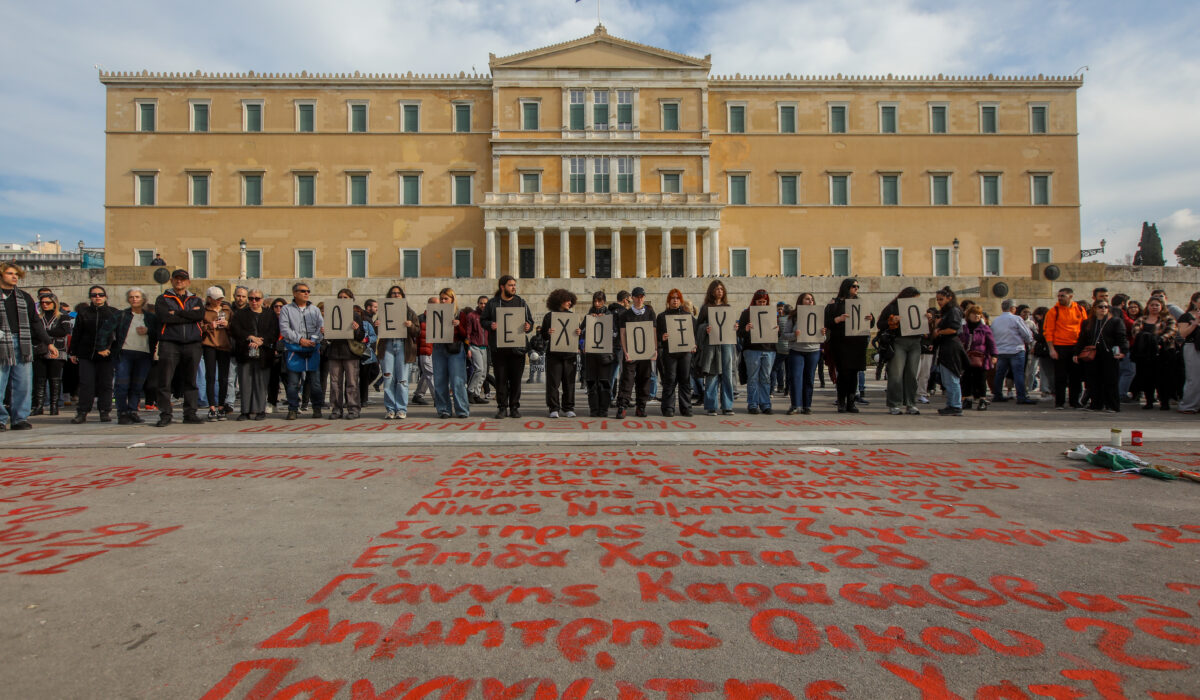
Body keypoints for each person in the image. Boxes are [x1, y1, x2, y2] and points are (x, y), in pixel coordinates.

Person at [0, 262, 57, 430]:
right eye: (10, 273)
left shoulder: (24, 297)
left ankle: (19, 419)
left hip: (22, 342)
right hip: (2, 342)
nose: (14, 276)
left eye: (16, 274)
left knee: (23, 384)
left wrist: (48, 342)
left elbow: (35, 322)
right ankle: (1, 419)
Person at [153, 269, 206, 427]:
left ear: (188, 282)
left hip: (192, 343)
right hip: (170, 342)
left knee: (191, 380)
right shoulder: (163, 298)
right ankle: (165, 414)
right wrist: (187, 314)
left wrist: (177, 313)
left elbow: (199, 316)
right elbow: (164, 317)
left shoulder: (195, 299)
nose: (179, 282)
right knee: (165, 381)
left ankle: (190, 413)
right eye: (176, 279)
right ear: (172, 280)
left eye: (182, 279)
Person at [481, 275, 533, 419]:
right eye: (510, 285)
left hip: (518, 350)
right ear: (502, 287)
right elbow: (483, 320)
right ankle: (502, 407)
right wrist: (490, 325)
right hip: (499, 350)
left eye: (515, 285)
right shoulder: (493, 303)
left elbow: (530, 322)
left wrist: (528, 326)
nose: (514, 287)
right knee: (501, 380)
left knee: (516, 380)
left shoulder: (521, 303)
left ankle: (514, 407)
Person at [68, 285, 121, 423]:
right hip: (86, 353)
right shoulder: (84, 312)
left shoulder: (113, 312)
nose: (97, 297)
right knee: (86, 383)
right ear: (90, 297)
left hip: (106, 354)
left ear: (105, 296)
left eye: (100, 294)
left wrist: (112, 350)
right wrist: (73, 352)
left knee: (106, 383)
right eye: (94, 295)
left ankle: (104, 411)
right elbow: (77, 333)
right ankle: (82, 411)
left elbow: (118, 334)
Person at [278, 282, 325, 420]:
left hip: (312, 348)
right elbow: (285, 329)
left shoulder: (314, 310)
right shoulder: (286, 309)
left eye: (308, 291)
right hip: (294, 349)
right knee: (293, 383)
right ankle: (293, 408)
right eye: (303, 291)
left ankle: (317, 407)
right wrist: (300, 340)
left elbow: (320, 327)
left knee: (315, 382)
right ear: (294, 293)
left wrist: (314, 339)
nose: (306, 293)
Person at [824, 279, 872, 413]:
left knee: (854, 373)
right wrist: (838, 319)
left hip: (857, 342)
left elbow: (870, 324)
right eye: (853, 286)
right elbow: (826, 321)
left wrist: (870, 319)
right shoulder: (835, 303)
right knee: (844, 373)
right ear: (846, 287)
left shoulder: (861, 302)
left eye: (857, 286)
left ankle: (851, 402)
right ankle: (841, 401)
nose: (856, 288)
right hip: (841, 342)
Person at [229, 288, 278, 420]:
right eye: (251, 299)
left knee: (261, 383)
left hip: (264, 353)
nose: (254, 301)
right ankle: (245, 411)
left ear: (262, 300)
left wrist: (261, 341)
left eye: (257, 299)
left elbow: (274, 332)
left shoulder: (270, 314)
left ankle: (259, 410)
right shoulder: (240, 314)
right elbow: (235, 330)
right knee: (245, 382)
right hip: (245, 352)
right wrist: (250, 337)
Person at [113, 288, 159, 424]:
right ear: (128, 299)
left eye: (137, 297)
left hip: (144, 353)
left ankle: (133, 411)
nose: (134, 299)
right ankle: (122, 412)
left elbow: (158, 333)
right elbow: (106, 329)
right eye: (132, 297)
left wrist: (148, 330)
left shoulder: (151, 317)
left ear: (143, 299)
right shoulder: (121, 315)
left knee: (137, 385)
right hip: (125, 353)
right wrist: (103, 347)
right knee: (122, 385)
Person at [1074, 299, 1127, 413]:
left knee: (1110, 380)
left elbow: (1121, 337)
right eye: (1100, 307)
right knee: (1093, 380)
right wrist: (1076, 353)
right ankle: (1096, 404)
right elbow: (1082, 339)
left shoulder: (1115, 321)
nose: (1103, 309)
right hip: (1093, 354)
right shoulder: (1087, 322)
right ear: (1094, 308)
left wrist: (1123, 351)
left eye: (1106, 307)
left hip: (1109, 353)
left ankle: (1112, 405)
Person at [876, 287, 923, 415]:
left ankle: (910, 403)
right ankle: (894, 403)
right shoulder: (892, 308)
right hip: (898, 341)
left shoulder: (919, 308)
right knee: (896, 374)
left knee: (912, 375)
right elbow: (880, 324)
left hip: (915, 342)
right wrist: (891, 321)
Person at [614, 286, 657, 419]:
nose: (639, 299)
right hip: (631, 352)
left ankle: (641, 406)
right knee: (627, 379)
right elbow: (623, 334)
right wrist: (626, 352)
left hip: (645, 352)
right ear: (632, 298)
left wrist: (654, 350)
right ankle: (622, 406)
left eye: (641, 296)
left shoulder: (650, 313)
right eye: (637, 296)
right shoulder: (625, 314)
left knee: (644, 379)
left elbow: (653, 332)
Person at [378, 285, 419, 420]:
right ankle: (390, 409)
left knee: (402, 380)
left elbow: (417, 331)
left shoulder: (410, 312)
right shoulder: (384, 311)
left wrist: (411, 325)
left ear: (402, 296)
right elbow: (376, 330)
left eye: (398, 293)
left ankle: (401, 409)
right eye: (393, 293)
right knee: (388, 378)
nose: (395, 295)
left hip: (403, 346)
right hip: (388, 345)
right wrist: (376, 324)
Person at [1043, 287, 1088, 410]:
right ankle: (1060, 402)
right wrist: (1052, 349)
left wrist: (1083, 346)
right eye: (1059, 296)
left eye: (1063, 296)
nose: (1060, 298)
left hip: (1076, 346)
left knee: (1076, 376)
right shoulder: (1053, 311)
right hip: (1060, 346)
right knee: (1060, 376)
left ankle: (1074, 401)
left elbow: (1085, 328)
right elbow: (1048, 332)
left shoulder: (1080, 309)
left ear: (1070, 296)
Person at [326, 289, 367, 420]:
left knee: (352, 383)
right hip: (335, 352)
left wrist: (356, 329)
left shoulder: (355, 315)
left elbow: (361, 337)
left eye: (345, 297)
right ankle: (336, 408)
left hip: (350, 353)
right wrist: (324, 331)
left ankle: (353, 408)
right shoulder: (332, 312)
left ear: (351, 299)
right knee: (334, 383)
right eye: (340, 297)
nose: (342, 299)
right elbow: (329, 338)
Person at [778, 292, 822, 415]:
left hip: (813, 350)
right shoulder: (793, 317)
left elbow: (824, 338)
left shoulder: (818, 315)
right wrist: (794, 335)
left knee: (809, 378)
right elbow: (784, 335)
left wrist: (823, 333)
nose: (810, 301)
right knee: (796, 378)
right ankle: (795, 405)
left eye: (812, 299)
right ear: (801, 301)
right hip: (796, 350)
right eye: (807, 299)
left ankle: (807, 405)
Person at [430, 287, 471, 419]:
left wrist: (458, 325)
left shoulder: (460, 314)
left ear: (452, 299)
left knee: (457, 381)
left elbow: (466, 334)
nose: (443, 301)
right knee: (440, 380)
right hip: (438, 348)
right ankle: (443, 409)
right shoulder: (435, 312)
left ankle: (462, 409)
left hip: (455, 348)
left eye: (446, 298)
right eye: (441, 298)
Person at [697, 280, 736, 416]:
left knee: (727, 374)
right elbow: (698, 326)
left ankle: (727, 406)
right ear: (712, 291)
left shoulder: (728, 307)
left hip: (726, 343)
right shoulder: (706, 308)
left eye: (721, 289)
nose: (720, 291)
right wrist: (705, 329)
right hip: (711, 345)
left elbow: (730, 325)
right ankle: (711, 406)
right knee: (712, 374)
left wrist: (734, 327)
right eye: (717, 289)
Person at [1131, 297, 1177, 411]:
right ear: (1148, 306)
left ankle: (1164, 402)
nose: (1154, 307)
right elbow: (1136, 332)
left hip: (1163, 353)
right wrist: (1149, 341)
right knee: (1147, 378)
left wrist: (1160, 340)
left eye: (1157, 305)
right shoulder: (1142, 319)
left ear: (1162, 306)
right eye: (1152, 305)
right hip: (1145, 353)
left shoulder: (1168, 319)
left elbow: (1171, 331)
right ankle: (1149, 401)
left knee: (1163, 379)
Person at [539, 288, 579, 419]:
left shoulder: (573, 316)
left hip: (569, 355)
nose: (569, 302)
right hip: (554, 355)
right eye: (566, 300)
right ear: (559, 301)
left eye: (570, 300)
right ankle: (553, 408)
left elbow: (576, 335)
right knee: (553, 383)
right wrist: (548, 332)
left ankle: (568, 408)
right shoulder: (549, 316)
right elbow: (543, 336)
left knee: (569, 383)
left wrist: (579, 333)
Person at [656, 288, 695, 417]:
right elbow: (656, 335)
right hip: (669, 352)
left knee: (685, 379)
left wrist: (694, 344)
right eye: (673, 298)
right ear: (669, 300)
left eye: (677, 298)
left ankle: (686, 407)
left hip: (685, 353)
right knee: (670, 380)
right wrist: (662, 337)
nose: (675, 300)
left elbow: (694, 333)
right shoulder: (662, 317)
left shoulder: (688, 316)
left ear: (681, 300)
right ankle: (668, 407)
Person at [31, 292, 70, 416]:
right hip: (39, 350)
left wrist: (44, 333)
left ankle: (54, 406)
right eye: (42, 303)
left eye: (48, 302)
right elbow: (33, 332)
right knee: (39, 379)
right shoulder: (37, 317)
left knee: (55, 379)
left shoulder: (63, 316)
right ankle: (39, 405)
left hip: (57, 350)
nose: (45, 305)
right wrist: (45, 333)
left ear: (54, 303)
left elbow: (64, 331)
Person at [990, 299, 1036, 405]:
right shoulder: (1016, 319)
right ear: (1012, 308)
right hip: (1016, 349)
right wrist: (1029, 341)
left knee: (1000, 374)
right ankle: (1021, 396)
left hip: (1001, 350)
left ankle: (997, 394)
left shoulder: (996, 320)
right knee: (1018, 374)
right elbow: (1026, 333)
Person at [738, 289, 776, 415]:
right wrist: (746, 329)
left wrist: (778, 330)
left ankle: (765, 404)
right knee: (753, 378)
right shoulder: (746, 313)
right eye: (759, 302)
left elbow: (777, 335)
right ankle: (753, 404)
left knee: (766, 378)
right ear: (754, 301)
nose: (762, 304)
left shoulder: (771, 313)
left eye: (764, 302)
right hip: (752, 349)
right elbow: (739, 334)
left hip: (768, 349)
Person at [929, 286, 966, 416]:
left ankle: (955, 405)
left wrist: (939, 331)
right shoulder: (947, 312)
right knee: (947, 379)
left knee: (951, 378)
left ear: (949, 298)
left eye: (941, 299)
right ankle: (952, 404)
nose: (939, 302)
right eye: (938, 299)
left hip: (951, 346)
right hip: (945, 346)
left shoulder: (954, 311)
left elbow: (954, 329)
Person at [581, 291, 617, 417]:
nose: (597, 303)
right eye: (595, 301)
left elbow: (615, 334)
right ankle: (594, 409)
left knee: (604, 383)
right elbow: (582, 333)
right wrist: (582, 345)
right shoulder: (588, 316)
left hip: (605, 355)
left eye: (599, 301)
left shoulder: (609, 315)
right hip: (591, 355)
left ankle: (604, 409)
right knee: (591, 382)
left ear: (604, 301)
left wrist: (606, 322)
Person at [200, 287, 234, 421]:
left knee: (224, 378)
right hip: (209, 345)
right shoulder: (204, 311)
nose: (219, 301)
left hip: (224, 346)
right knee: (210, 377)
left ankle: (221, 406)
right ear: (209, 299)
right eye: (216, 299)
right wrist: (210, 326)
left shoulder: (226, 310)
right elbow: (198, 328)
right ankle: (212, 407)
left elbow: (235, 327)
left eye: (221, 298)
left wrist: (227, 324)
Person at [958, 305, 997, 410]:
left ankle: (982, 400)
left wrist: (994, 355)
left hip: (981, 357)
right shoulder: (963, 328)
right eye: (974, 314)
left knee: (981, 379)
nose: (977, 316)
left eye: (979, 314)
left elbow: (991, 343)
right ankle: (967, 399)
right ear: (968, 315)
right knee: (966, 379)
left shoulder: (984, 328)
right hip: (967, 357)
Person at [410, 298, 437, 406]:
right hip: (424, 350)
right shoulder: (420, 318)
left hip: (435, 350)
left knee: (427, 374)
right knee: (430, 373)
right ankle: (437, 397)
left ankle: (418, 394)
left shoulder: (439, 317)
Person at [1176, 293, 1200, 414]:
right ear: (1194, 302)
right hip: (1192, 347)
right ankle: (1189, 405)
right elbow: (1183, 334)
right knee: (1194, 378)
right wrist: (1195, 323)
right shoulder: (1186, 317)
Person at [465, 296, 490, 404]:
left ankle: (476, 394)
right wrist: (468, 348)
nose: (483, 305)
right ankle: (469, 391)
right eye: (481, 303)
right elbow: (467, 333)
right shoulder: (472, 315)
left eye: (485, 303)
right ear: (478, 303)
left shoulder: (490, 316)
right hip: (474, 346)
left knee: (484, 372)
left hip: (484, 347)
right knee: (478, 369)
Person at [359, 299, 380, 407]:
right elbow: (368, 335)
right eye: (375, 307)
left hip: (369, 350)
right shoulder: (365, 318)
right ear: (368, 307)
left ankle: (362, 396)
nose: (376, 309)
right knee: (368, 373)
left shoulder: (370, 319)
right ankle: (362, 397)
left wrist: (375, 327)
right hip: (366, 350)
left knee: (368, 373)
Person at [267, 298, 286, 413]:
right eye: (276, 306)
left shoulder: (289, 319)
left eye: (281, 306)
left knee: (289, 380)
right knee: (273, 381)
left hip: (285, 352)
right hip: (273, 353)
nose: (278, 308)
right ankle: (272, 402)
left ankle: (293, 403)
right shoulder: (269, 320)